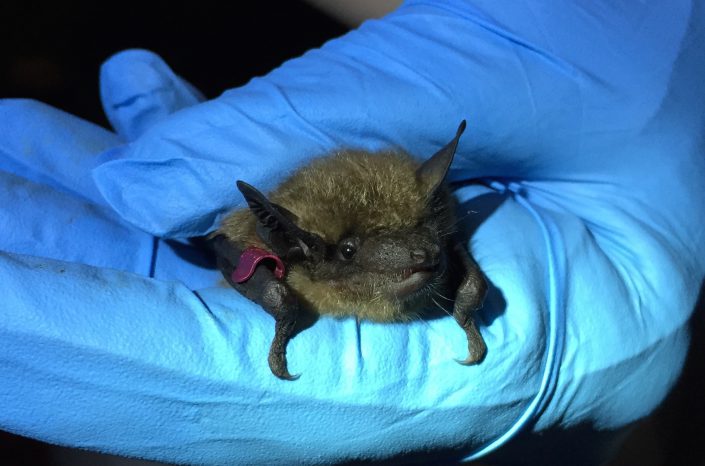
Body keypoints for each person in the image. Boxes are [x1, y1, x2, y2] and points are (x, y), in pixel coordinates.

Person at [1, 1, 704, 464]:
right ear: (287, 255)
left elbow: (421, 239)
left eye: (425, 235)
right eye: (353, 251)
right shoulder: (275, 254)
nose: (417, 259)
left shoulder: (431, 236)